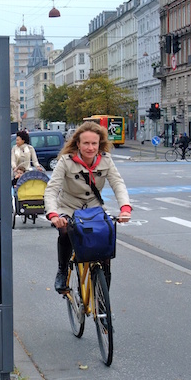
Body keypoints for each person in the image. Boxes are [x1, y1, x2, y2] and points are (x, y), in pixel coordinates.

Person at [44, 121, 132, 293]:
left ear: (99, 144)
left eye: (94, 143)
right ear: (78, 143)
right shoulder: (66, 161)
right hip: (69, 207)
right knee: (65, 231)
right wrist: (54, 215)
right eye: (86, 143)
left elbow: (118, 184)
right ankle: (62, 270)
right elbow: (52, 189)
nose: (90, 147)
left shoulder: (106, 160)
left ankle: (102, 295)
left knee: (106, 242)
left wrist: (125, 208)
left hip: (94, 209)